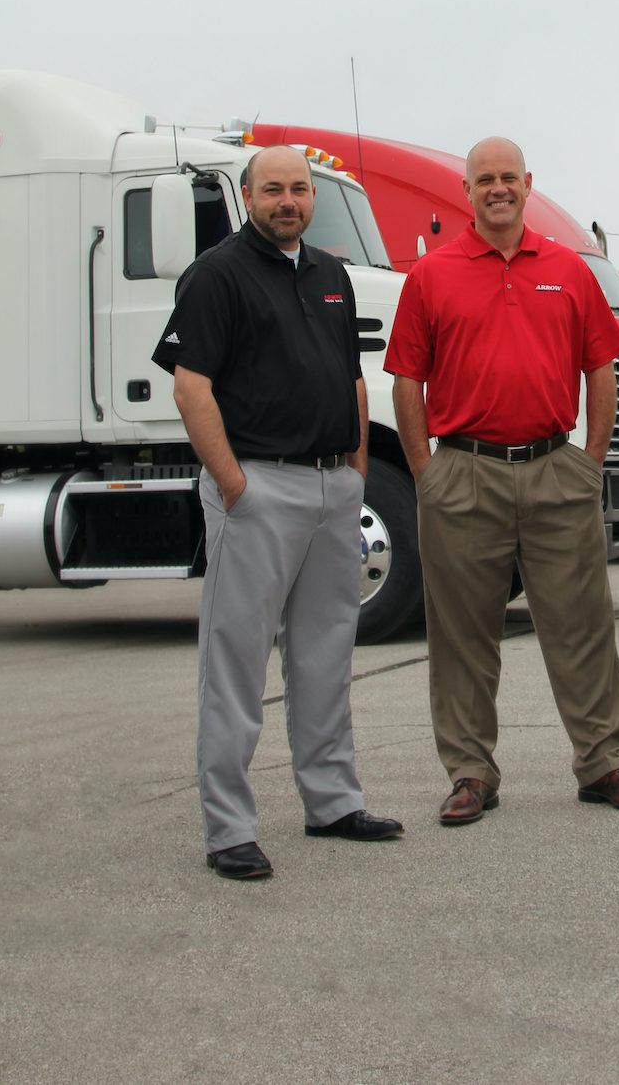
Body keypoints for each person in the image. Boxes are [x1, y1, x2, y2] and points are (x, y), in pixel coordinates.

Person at [385, 136, 619, 825]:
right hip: (463, 475)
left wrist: (587, 461)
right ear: (468, 191)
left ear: (527, 183)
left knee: (583, 627)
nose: (498, 188)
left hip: (554, 472)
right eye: (485, 179)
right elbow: (406, 380)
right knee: (461, 636)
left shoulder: (568, 270)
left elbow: (601, 369)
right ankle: (469, 773)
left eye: (509, 177)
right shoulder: (431, 276)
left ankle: (603, 762)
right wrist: (426, 472)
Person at [152, 145, 402, 880]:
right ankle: (229, 828)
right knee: (235, 662)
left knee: (325, 653)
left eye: (298, 189)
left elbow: (352, 378)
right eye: (273, 189)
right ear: (248, 195)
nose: (287, 200)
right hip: (258, 489)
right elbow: (191, 389)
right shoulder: (216, 274)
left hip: (333, 491)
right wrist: (234, 486)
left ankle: (332, 803)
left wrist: (355, 472)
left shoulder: (330, 275)